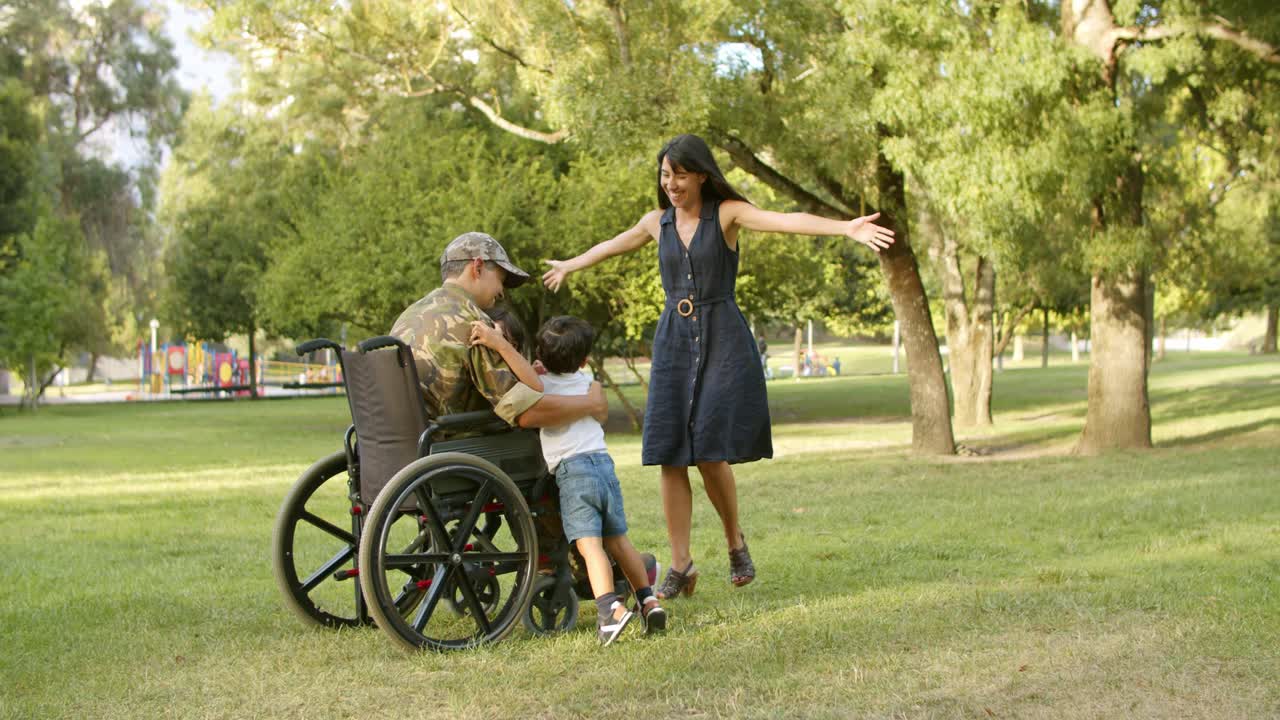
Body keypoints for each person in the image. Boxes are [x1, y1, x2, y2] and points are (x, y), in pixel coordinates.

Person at [543, 134, 896, 598]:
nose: (670, 183)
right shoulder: (657, 222)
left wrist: (844, 227)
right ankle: (681, 565)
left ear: (702, 175)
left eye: (680, 175)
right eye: (665, 175)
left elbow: (784, 220)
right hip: (673, 342)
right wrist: (571, 263)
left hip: (722, 340)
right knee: (670, 454)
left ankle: (735, 540)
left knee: (709, 452)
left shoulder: (726, 214)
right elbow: (613, 244)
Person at [471, 315, 667, 645]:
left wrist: (496, 342)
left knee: (590, 547)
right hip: (604, 466)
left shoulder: (540, 386)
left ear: (540, 357)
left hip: (574, 473)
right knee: (618, 541)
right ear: (584, 359)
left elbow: (524, 374)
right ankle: (649, 601)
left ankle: (610, 611)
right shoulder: (587, 382)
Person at [390, 231, 608, 436]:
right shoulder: (473, 322)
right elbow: (524, 412)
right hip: (456, 449)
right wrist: (591, 404)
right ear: (477, 267)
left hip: (406, 453)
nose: (502, 292)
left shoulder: (408, 317)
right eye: (501, 280)